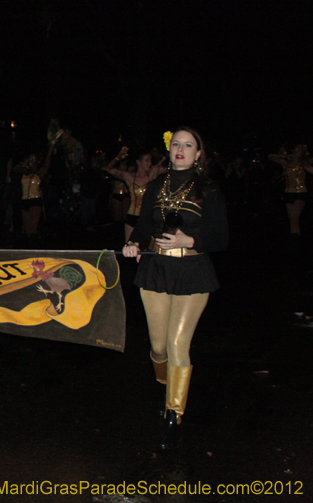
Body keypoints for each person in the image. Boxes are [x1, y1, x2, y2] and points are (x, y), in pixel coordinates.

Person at [122, 127, 229, 450]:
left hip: (193, 273)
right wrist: (133, 244)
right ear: (170, 151)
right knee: (158, 347)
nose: (180, 150)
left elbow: (222, 238)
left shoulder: (208, 189)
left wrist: (191, 240)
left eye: (188, 145)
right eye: (176, 145)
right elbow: (143, 228)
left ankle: (174, 414)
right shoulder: (156, 186)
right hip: (155, 269)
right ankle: (164, 386)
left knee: (177, 344)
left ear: (198, 154)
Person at [105, 146, 165, 242]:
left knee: (145, 248)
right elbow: (108, 169)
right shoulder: (129, 177)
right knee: (129, 246)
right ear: (138, 162)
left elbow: (169, 166)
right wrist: (118, 157)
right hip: (132, 217)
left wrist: (161, 155)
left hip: (147, 217)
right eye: (147, 160)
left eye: (150, 160)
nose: (150, 163)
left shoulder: (153, 173)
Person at [267, 144, 313, 237]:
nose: (300, 149)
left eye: (301, 148)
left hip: (301, 192)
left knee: (294, 216)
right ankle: (295, 238)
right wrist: (285, 156)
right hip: (288, 193)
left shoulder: (304, 162)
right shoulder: (286, 163)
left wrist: (305, 159)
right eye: (298, 147)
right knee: (293, 220)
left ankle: (296, 237)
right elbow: (270, 156)